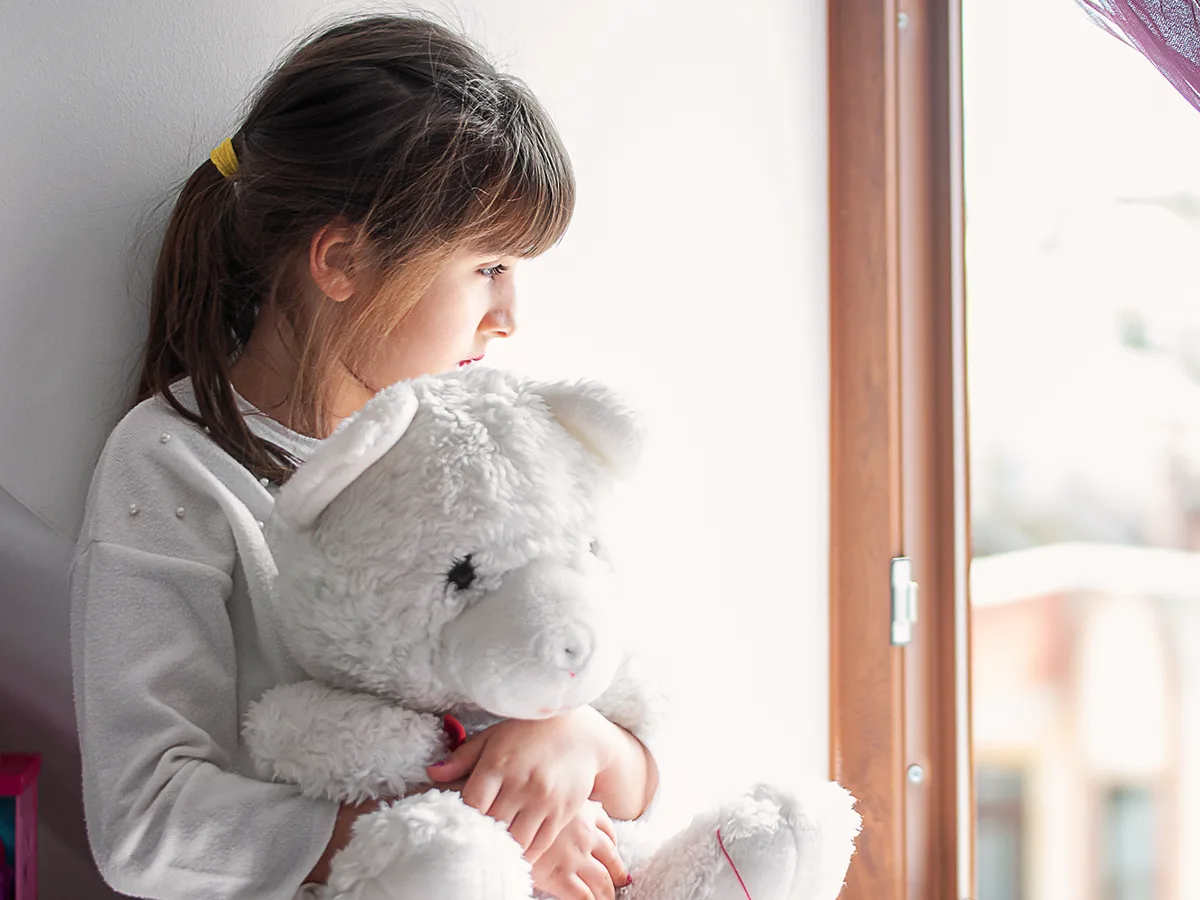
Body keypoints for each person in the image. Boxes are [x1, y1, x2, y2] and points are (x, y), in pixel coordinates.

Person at [70, 15, 657, 900]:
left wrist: (579, 739)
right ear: (343, 259)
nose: (511, 318)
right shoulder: (170, 466)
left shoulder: (495, 440)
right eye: (488, 266)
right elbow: (146, 824)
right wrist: (469, 830)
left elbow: (636, 737)